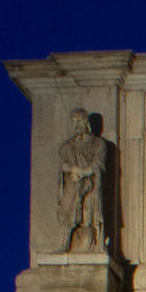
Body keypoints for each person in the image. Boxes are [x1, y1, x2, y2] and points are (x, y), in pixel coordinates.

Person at [56, 108, 106, 253]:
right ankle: (64, 243)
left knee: (88, 216)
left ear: (86, 122)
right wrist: (73, 170)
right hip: (73, 182)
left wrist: (83, 172)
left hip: (90, 184)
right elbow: (63, 164)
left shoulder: (98, 143)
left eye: (78, 121)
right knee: (66, 212)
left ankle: (93, 243)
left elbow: (98, 163)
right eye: (74, 122)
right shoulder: (67, 146)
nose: (76, 125)